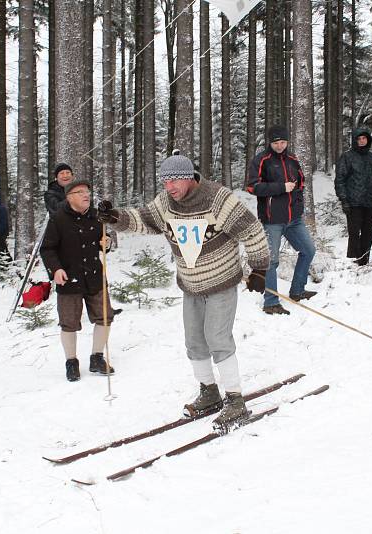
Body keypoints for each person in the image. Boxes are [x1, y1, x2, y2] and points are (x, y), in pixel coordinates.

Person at [97, 154, 270, 428]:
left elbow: (252, 230)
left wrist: (259, 269)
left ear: (189, 176)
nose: (170, 187)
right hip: (190, 285)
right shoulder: (166, 202)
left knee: (218, 338)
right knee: (194, 341)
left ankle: (235, 400)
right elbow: (144, 219)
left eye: (174, 180)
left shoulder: (218, 199)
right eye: (165, 182)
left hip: (221, 281)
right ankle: (209, 391)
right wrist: (115, 217)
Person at [40, 178, 115, 382]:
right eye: (81, 192)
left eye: (88, 192)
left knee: (105, 317)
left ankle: (97, 358)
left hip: (94, 276)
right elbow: (46, 249)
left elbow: (103, 243)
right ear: (69, 197)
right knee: (69, 323)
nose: (86, 195)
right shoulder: (58, 218)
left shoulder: (96, 216)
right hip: (68, 279)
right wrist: (55, 270)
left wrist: (106, 243)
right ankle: (71, 362)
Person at [246, 124, 317, 315]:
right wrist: (280, 187)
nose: (280, 146)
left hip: (294, 218)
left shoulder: (292, 158)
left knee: (308, 250)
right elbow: (252, 187)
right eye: (276, 142)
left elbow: (300, 180)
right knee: (272, 261)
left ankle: (297, 290)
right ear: (270, 142)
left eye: (283, 142)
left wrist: (298, 192)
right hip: (272, 219)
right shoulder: (262, 159)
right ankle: (270, 302)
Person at [335, 127, 372, 265]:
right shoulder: (347, 157)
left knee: (368, 232)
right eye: (359, 139)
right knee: (354, 232)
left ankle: (364, 259)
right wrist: (343, 199)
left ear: (368, 140)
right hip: (353, 202)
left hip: (369, 201)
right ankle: (355, 260)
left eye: (364, 138)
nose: (362, 141)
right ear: (355, 140)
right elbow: (340, 179)